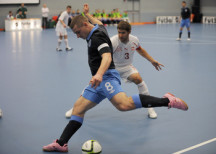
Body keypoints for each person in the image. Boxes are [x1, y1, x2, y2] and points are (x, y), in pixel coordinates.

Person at [43, 4, 188, 152]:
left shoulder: (98, 37)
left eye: (78, 32)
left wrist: (99, 74)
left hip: (106, 77)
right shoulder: (98, 28)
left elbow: (106, 57)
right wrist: (87, 14)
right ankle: (62, 143)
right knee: (78, 109)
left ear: (85, 25)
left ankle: (168, 100)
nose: (78, 36)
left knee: (123, 105)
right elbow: (98, 22)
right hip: (97, 81)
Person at [65, 21, 160, 119]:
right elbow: (105, 56)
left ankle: (150, 107)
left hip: (127, 67)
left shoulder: (134, 40)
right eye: (119, 32)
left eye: (123, 33)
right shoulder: (113, 41)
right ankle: (76, 108)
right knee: (93, 85)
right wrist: (99, 72)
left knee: (138, 79)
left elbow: (140, 49)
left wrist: (152, 60)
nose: (120, 35)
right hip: (112, 68)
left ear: (129, 32)